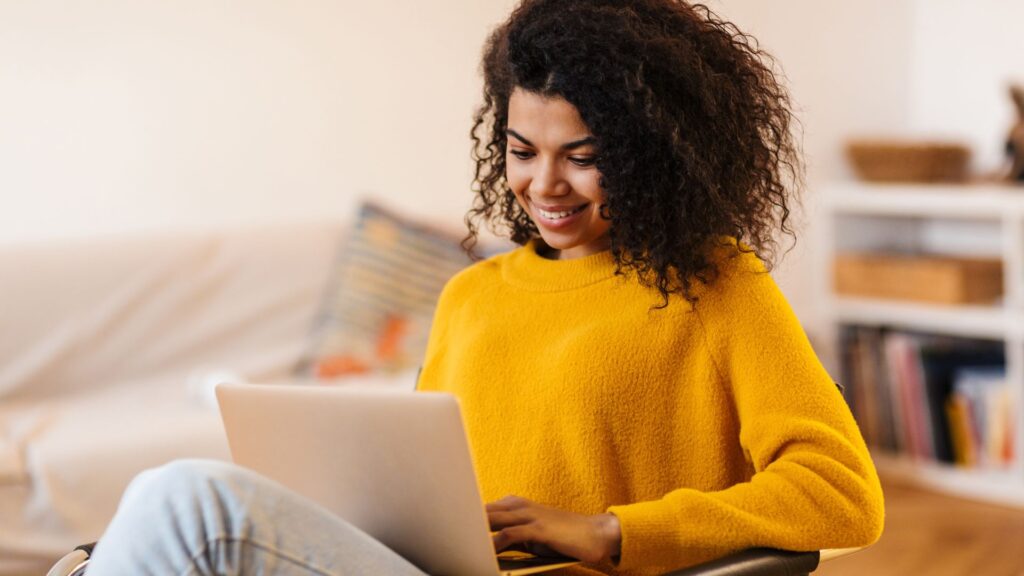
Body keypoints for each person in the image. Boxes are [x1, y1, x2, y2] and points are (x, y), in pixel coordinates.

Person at [85, 1, 884, 575]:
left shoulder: (715, 286)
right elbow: (419, 481)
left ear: (653, 152)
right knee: (172, 513)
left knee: (184, 501)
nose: (546, 185)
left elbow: (841, 494)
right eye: (521, 150)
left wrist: (613, 532)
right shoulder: (472, 295)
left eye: (582, 154)